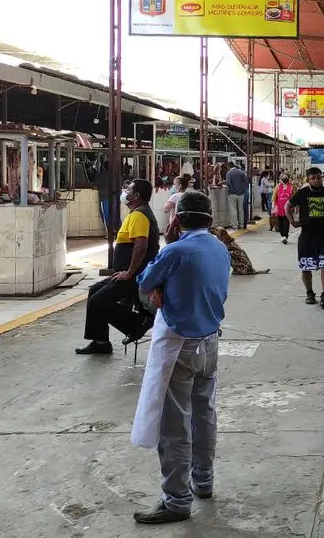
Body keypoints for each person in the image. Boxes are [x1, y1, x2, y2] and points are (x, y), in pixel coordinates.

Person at [131, 191, 231, 524]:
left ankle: (176, 500)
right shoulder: (220, 248)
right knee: (205, 416)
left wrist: (159, 286)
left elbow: (145, 282)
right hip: (210, 344)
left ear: (176, 219)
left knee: (174, 426)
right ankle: (203, 481)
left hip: (179, 347)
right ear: (210, 219)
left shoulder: (175, 252)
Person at [76, 179, 160, 355]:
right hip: (126, 272)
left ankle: (137, 324)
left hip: (134, 275)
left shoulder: (139, 215)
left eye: (129, 189)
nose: (125, 191)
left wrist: (129, 272)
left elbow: (141, 246)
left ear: (136, 195)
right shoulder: (136, 213)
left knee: (97, 301)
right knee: (94, 291)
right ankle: (100, 342)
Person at [285, 167, 324, 309]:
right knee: (306, 267)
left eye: (318, 177)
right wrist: (292, 221)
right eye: (313, 178)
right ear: (308, 179)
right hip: (306, 236)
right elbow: (288, 205)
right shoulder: (302, 193)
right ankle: (309, 293)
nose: (316, 180)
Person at [272, 173, 295, 244]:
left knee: (286, 222)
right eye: (283, 177)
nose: (285, 179)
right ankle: (282, 235)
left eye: (286, 177)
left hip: (288, 208)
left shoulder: (292, 187)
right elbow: (274, 196)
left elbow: (294, 197)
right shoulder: (278, 187)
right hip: (279, 208)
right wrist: (273, 205)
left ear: (288, 178)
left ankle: (285, 236)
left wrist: (295, 206)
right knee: (280, 222)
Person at [225, 162, 248, 229]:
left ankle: (234, 226)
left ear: (228, 166)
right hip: (241, 194)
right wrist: (243, 190)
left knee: (233, 210)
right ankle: (241, 225)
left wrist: (233, 191)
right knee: (241, 210)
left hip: (232, 194)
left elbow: (228, 183)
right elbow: (246, 182)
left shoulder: (229, 173)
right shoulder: (241, 173)